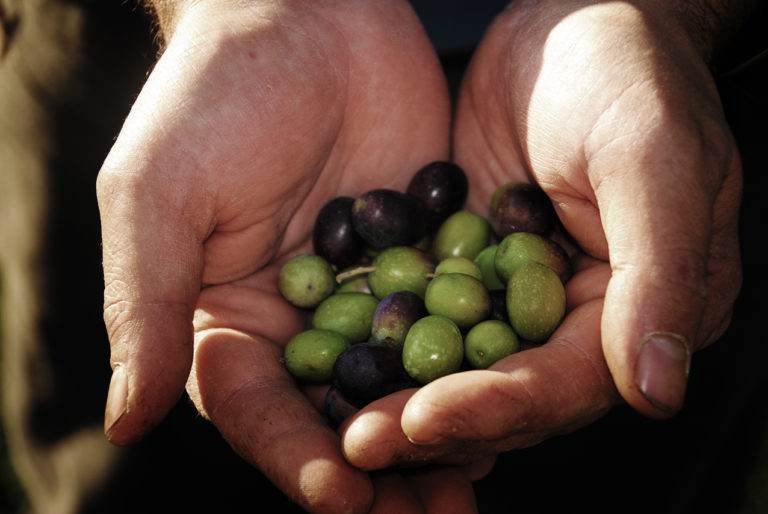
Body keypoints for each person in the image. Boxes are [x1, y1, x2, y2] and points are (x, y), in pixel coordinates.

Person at [2, 0, 766, 513]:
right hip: (133, 49)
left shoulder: (471, 270)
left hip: (617, 108)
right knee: (138, 483)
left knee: (637, 474)